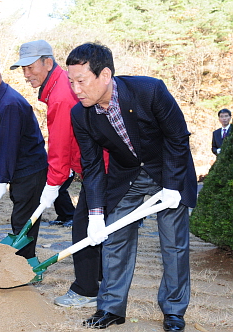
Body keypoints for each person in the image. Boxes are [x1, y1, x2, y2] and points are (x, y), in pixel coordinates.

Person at [67, 42, 197, 331]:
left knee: (173, 243)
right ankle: (111, 308)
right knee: (115, 238)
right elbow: (93, 166)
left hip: (167, 169)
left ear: (105, 75)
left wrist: (173, 185)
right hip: (127, 175)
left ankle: (174, 311)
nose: (76, 89)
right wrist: (96, 213)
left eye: (81, 81)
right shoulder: (81, 114)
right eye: (71, 81)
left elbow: (178, 137)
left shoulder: (149, 91)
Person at [10, 39, 101, 308]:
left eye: (30, 67)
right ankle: (103, 281)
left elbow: (59, 146)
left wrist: (53, 184)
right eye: (22, 69)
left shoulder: (61, 94)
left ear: (48, 62)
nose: (26, 74)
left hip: (98, 168)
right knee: (95, 228)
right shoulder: (58, 88)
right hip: (91, 167)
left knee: (84, 229)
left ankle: (86, 290)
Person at [0, 55, 48, 259]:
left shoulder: (9, 104)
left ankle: (23, 265)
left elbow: (8, 145)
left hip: (30, 169)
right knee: (21, 217)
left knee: (24, 220)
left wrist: (2, 179)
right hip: (19, 169)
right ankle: (21, 262)